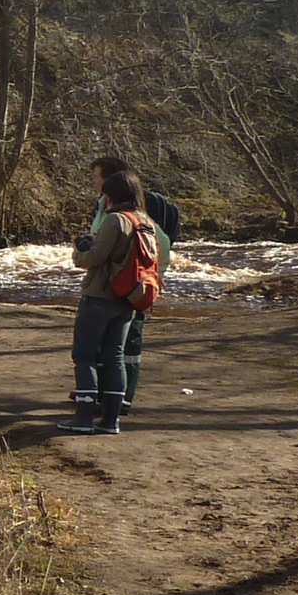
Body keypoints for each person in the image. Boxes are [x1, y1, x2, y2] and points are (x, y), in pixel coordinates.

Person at [64, 168, 153, 435]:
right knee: (115, 357)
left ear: (111, 196)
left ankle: (83, 419)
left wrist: (78, 253)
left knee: (85, 355)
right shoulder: (144, 220)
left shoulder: (115, 220)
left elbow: (96, 257)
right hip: (127, 297)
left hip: (100, 295)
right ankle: (110, 421)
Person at [93, 157, 181, 412]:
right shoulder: (103, 205)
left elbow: (160, 242)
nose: (94, 181)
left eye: (97, 176)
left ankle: (121, 398)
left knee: (127, 346)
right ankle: (101, 395)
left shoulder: (139, 209)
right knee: (103, 344)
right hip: (108, 286)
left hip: (132, 287)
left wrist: (152, 276)